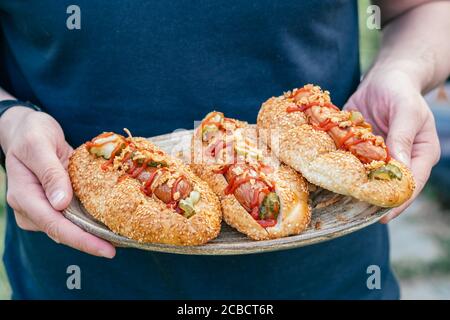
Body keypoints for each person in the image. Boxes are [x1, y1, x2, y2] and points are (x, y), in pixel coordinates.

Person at [0, 1, 448, 299]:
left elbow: (425, 6)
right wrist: (9, 118)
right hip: (75, 274)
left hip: (329, 270)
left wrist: (403, 71)